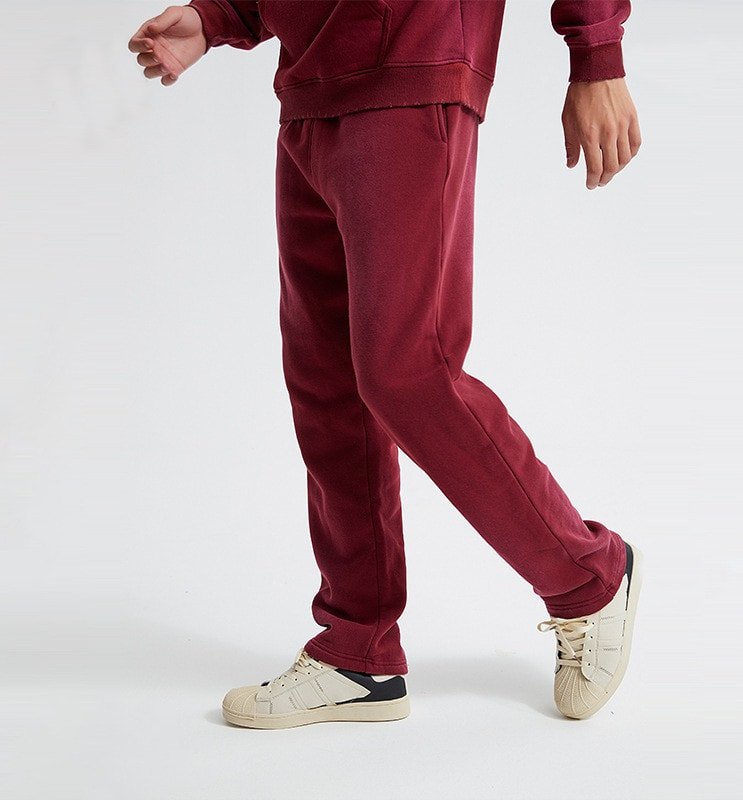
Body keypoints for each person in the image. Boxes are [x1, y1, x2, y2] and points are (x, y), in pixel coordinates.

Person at [128, 0, 644, 729]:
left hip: (412, 57)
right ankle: (357, 650)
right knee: (327, 384)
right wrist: (220, 16)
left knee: (408, 371)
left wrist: (596, 55)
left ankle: (589, 576)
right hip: (312, 85)